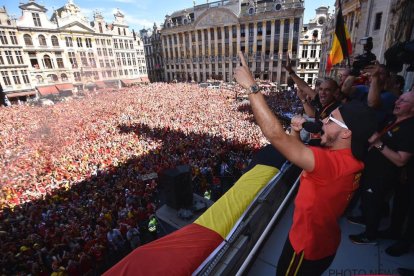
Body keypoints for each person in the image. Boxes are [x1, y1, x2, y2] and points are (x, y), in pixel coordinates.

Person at [233, 51, 377, 275]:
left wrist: (252, 88)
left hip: (305, 248)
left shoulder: (329, 164)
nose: (323, 122)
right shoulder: (352, 161)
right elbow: (296, 153)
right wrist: (296, 132)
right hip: (326, 244)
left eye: (331, 120)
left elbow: (274, 135)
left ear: (347, 134)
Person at [349, 91, 414, 245]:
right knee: (368, 200)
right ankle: (365, 219)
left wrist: (378, 143)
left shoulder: (410, 129)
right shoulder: (394, 119)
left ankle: (370, 235)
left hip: (383, 175)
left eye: (403, 101)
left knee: (375, 203)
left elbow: (400, 160)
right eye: (399, 99)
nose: (397, 102)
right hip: (372, 169)